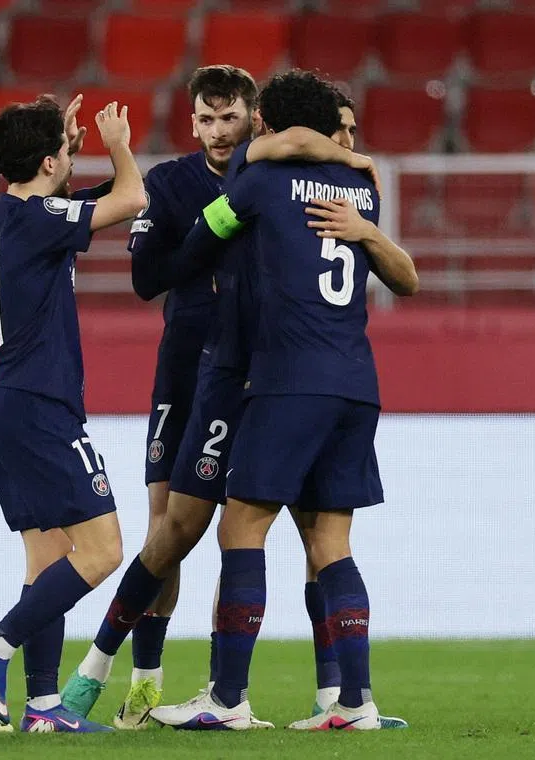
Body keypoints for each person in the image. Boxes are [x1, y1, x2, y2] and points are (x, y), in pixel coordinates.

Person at [62, 76, 380, 729]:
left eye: (228, 118)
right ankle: (110, 671)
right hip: (203, 372)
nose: (216, 131)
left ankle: (314, 694)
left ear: (255, 119)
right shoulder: (181, 182)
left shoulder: (268, 179)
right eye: (205, 120)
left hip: (272, 377)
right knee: (175, 530)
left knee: (302, 534)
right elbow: (148, 277)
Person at [146, 70, 417, 732]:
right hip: (356, 384)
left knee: (241, 528)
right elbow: (402, 278)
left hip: (288, 378)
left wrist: (205, 235)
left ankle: (227, 699)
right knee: (331, 542)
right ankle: (355, 703)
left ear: (271, 122)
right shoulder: (361, 190)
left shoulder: (260, 179)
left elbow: (198, 245)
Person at [0, 95, 148, 733]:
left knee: (47, 561)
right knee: (103, 550)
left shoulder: (0, 214)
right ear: (46, 162)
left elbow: (69, 200)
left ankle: (42, 707)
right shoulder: (39, 219)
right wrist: (116, 143)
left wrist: (60, 149)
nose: (71, 156)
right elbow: (131, 197)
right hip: (40, 407)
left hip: (8, 405)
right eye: (64, 150)